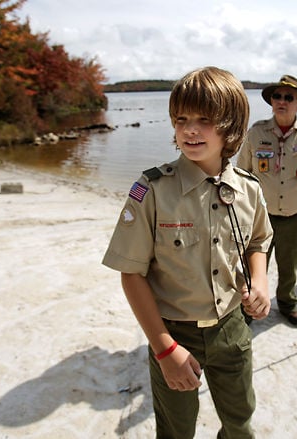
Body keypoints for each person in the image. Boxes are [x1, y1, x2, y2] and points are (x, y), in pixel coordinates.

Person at [102, 66, 273, 438]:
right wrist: (165, 351)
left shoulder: (248, 189)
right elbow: (131, 273)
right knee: (176, 429)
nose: (190, 130)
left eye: (204, 120)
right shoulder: (152, 190)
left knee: (240, 421)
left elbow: (258, 241)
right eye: (181, 120)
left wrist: (260, 283)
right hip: (174, 333)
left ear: (231, 128)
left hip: (232, 329)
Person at [237, 75, 297, 328]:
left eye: (288, 97)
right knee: (254, 269)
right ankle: (247, 310)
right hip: (261, 218)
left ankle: (287, 303)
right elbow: (242, 174)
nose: (281, 101)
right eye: (277, 96)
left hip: (296, 216)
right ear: (271, 101)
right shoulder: (256, 132)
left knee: (290, 266)